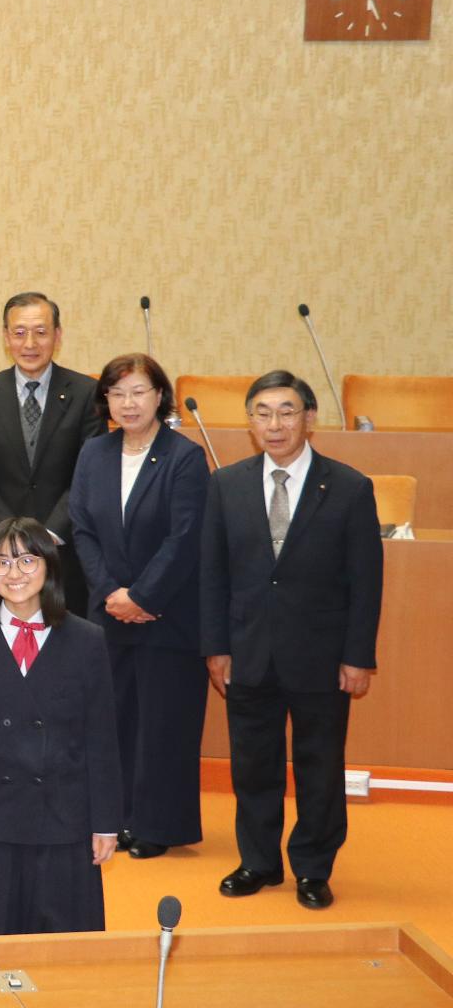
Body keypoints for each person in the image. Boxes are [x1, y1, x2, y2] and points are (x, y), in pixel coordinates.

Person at [202, 371, 382, 910]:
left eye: (286, 411)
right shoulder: (225, 484)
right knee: (252, 763)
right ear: (250, 422)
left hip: (322, 657)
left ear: (310, 417)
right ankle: (258, 861)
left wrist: (358, 656)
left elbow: (366, 581)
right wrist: (216, 647)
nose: (274, 424)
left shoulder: (349, 487)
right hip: (248, 650)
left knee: (319, 765)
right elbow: (213, 575)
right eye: (262, 413)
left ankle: (312, 866)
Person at [0, 519, 121, 937]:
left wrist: (105, 821)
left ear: (49, 566)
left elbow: (101, 738)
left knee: (59, 953)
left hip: (62, 816)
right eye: (0, 562)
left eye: (26, 559)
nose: (14, 572)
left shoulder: (86, 639)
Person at [68, 353, 210, 860]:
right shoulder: (94, 453)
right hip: (107, 614)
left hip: (167, 615)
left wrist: (143, 597)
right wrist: (112, 594)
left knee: (163, 725)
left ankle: (157, 824)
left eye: (138, 392)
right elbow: (81, 528)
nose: (128, 403)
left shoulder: (185, 457)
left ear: (159, 397)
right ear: (105, 400)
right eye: (117, 393)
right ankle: (119, 816)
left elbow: (185, 537)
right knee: (114, 720)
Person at [0, 292, 103, 613]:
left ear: (57, 335)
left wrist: (48, 534)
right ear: (6, 337)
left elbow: (88, 473)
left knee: (65, 650)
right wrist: (15, 539)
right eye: (19, 333)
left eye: (40, 332)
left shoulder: (86, 394)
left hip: (64, 549)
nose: (30, 343)